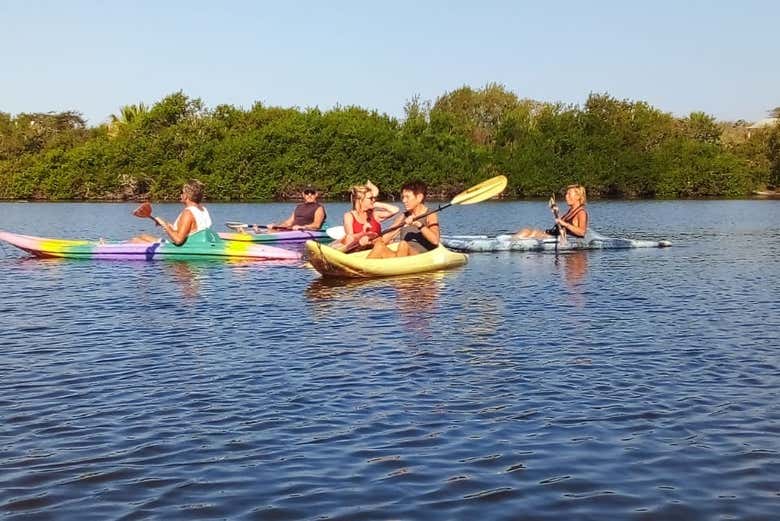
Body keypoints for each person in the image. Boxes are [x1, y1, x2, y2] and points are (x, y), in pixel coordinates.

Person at [367, 180, 440, 258]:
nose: (404, 201)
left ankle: (395, 267)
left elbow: (435, 240)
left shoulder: (430, 214)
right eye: (403, 197)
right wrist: (373, 239)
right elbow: (384, 240)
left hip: (422, 256)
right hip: (403, 256)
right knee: (379, 245)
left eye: (407, 197)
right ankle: (362, 268)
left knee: (403, 245)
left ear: (419, 197)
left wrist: (418, 224)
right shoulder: (403, 216)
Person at [130, 179, 213, 245]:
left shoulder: (188, 213)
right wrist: (166, 225)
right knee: (143, 236)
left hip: (185, 247)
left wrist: (165, 225)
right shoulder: (203, 209)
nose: (181, 195)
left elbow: (178, 240)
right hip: (196, 244)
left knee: (135, 240)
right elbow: (192, 231)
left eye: (182, 193)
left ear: (186, 196)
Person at [338, 180, 399, 250]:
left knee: (399, 220)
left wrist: (375, 204)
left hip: (377, 247)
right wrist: (364, 233)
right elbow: (349, 237)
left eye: (374, 198)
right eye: (370, 198)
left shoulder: (375, 215)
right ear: (360, 200)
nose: (373, 200)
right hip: (359, 249)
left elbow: (395, 210)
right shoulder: (349, 216)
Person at [513, 184, 588, 239]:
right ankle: (511, 240)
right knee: (526, 230)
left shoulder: (581, 213)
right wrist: (557, 212)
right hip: (553, 234)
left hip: (558, 237)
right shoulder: (571, 210)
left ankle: (510, 243)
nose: (566, 196)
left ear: (578, 197)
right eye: (566, 193)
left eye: (569, 194)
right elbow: (562, 223)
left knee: (529, 232)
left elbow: (582, 232)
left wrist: (564, 224)